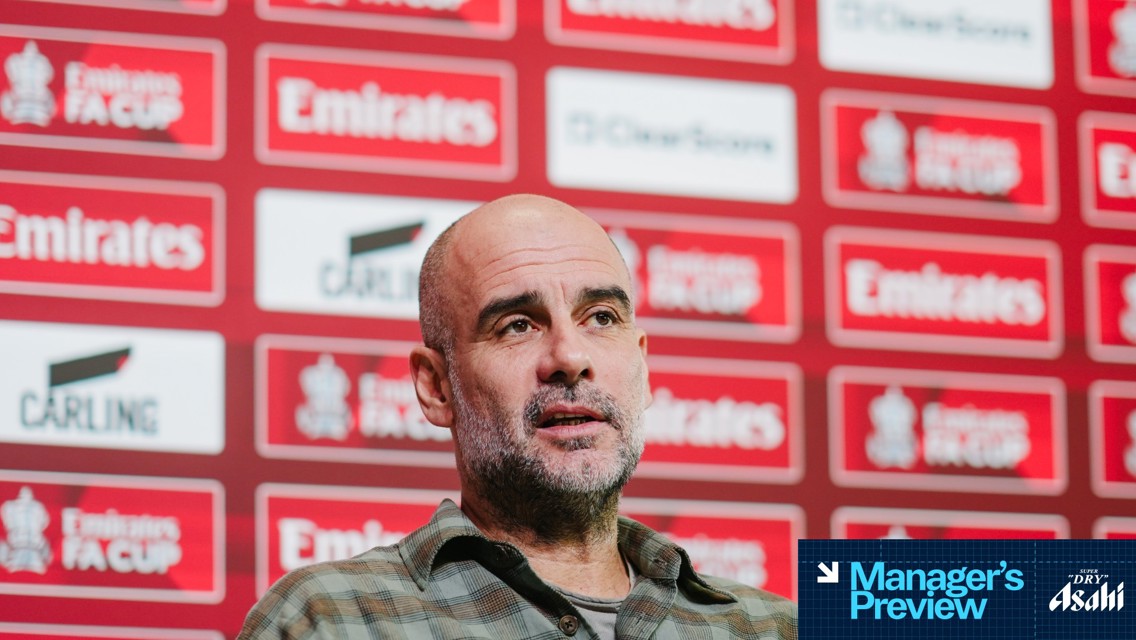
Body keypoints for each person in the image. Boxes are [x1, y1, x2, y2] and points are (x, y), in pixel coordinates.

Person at [238, 194, 798, 639]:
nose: (570, 358)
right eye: (517, 325)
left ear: (643, 367)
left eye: (601, 317)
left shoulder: (778, 627)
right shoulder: (331, 620)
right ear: (436, 387)